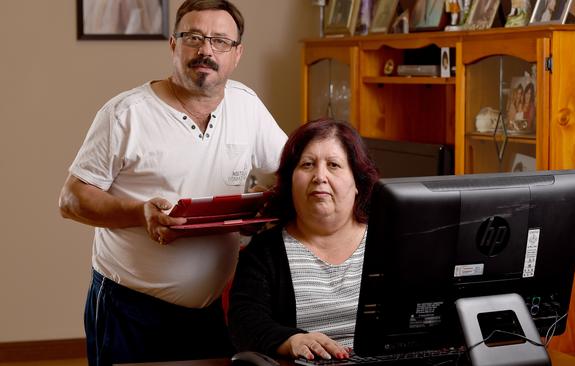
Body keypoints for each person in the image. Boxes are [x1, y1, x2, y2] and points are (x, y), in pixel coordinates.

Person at [58, 1, 287, 365]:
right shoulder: (125, 114)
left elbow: (291, 170)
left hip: (213, 309)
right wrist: (139, 213)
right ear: (172, 44)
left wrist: (271, 200)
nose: (205, 51)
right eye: (193, 37)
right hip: (129, 309)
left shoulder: (247, 107)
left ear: (237, 53)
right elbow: (71, 199)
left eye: (220, 41)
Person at [228, 119, 380, 360]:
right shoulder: (265, 250)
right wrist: (289, 340)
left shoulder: (389, 244)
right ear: (290, 181)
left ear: (357, 181)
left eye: (334, 165)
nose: (320, 176)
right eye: (307, 164)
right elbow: (244, 323)